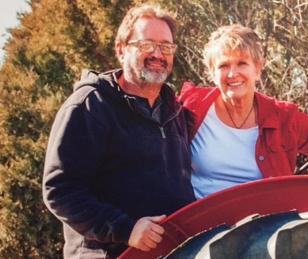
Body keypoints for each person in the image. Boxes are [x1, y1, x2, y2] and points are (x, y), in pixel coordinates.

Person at [42, 4, 195, 258]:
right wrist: (126, 229)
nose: (158, 54)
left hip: (168, 252)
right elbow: (60, 190)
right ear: (121, 50)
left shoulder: (173, 110)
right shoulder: (90, 105)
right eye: (147, 45)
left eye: (166, 47)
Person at [179, 24, 308, 199]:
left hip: (264, 225)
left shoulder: (282, 117)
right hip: (200, 224)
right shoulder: (191, 107)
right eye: (223, 65)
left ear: (257, 69)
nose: (232, 73)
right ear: (212, 73)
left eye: (242, 63)